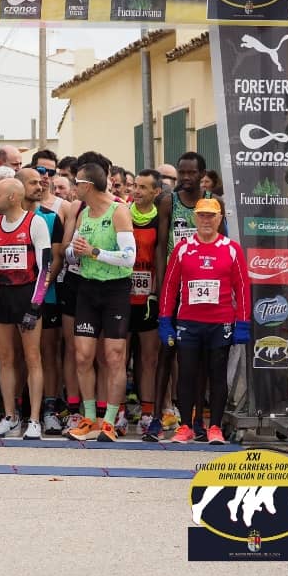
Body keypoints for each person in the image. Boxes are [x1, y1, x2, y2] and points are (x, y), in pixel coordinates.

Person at [159, 198, 250, 444]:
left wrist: (242, 323)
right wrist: (165, 320)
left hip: (220, 322)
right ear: (195, 218)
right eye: (202, 215)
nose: (206, 220)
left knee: (217, 375)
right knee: (186, 374)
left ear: (220, 219)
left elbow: (242, 287)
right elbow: (169, 286)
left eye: (211, 216)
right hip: (189, 322)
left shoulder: (231, 249)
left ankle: (215, 427)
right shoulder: (183, 248)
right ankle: (186, 426)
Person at [65, 162, 136, 442]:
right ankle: (90, 418)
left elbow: (129, 257)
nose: (73, 187)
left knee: (114, 356)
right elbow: (72, 253)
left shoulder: (119, 211)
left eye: (77, 183)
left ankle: (109, 421)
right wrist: (74, 251)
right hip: (88, 287)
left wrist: (94, 252)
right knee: (82, 355)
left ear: (88, 186)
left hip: (115, 290)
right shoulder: (84, 213)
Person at [0, 177, 51, 439]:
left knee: (32, 358)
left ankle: (34, 419)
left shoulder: (35, 223)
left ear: (12, 197)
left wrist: (35, 305)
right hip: (1, 295)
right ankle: (10, 416)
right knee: (5, 358)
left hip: (26, 294)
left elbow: (44, 268)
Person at [18, 166, 65, 435]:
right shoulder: (3, 218)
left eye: (41, 182)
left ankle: (49, 409)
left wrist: (43, 285)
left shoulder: (50, 217)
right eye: (33, 182)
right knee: (18, 355)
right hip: (14, 296)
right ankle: (16, 410)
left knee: (48, 352)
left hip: (47, 296)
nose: (40, 186)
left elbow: (56, 257)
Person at [129, 169, 161, 438]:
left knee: (149, 358)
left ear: (156, 192)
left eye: (143, 187)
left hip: (149, 297)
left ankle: (148, 412)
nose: (136, 191)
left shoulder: (160, 219)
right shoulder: (122, 214)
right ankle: (117, 412)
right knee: (117, 358)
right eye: (135, 186)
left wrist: (157, 291)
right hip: (123, 296)